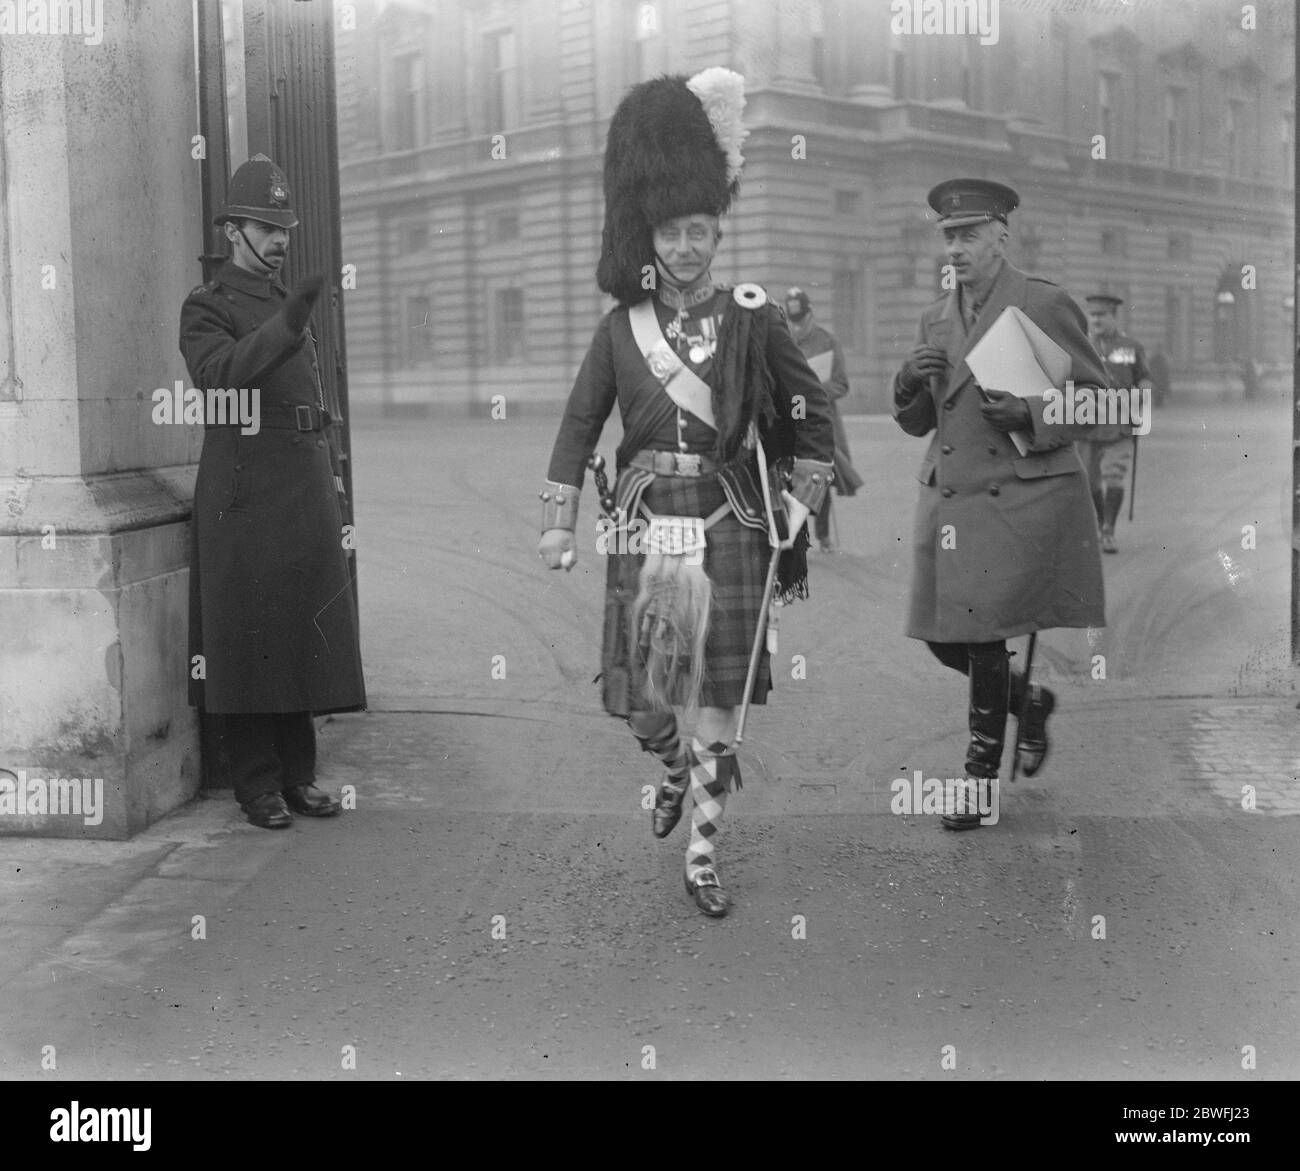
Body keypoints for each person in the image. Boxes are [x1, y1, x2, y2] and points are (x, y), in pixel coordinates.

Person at [537, 70, 835, 915]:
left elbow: (812, 424)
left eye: (701, 231)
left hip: (730, 520)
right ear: (651, 233)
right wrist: (559, 521)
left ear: (716, 230)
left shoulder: (754, 317)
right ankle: (669, 769)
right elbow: (575, 427)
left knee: (717, 701)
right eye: (672, 232)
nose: (686, 248)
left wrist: (799, 510)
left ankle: (702, 855)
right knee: (642, 701)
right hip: (644, 520)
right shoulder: (619, 330)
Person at [892, 178, 1110, 829]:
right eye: (948, 237)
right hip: (948, 499)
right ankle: (1030, 701)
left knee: (982, 636)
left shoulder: (1042, 303)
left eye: (968, 235)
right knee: (940, 637)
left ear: (1000, 236)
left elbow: (1103, 402)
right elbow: (919, 419)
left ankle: (979, 782)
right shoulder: (935, 315)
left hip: (1015, 499)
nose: (955, 248)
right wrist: (907, 381)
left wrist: (1032, 410)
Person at [179, 155, 365, 829]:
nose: (280, 238)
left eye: (284, 225)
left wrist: (331, 471)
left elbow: (310, 395)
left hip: (301, 480)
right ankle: (256, 783)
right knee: (249, 637)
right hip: (245, 491)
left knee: (298, 630)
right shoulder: (207, 306)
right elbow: (221, 378)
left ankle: (299, 775)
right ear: (233, 230)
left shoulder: (286, 301)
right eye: (265, 225)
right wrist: (286, 325)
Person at [783, 288, 864, 552]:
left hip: (819, 418)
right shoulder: (781, 340)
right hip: (790, 419)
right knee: (787, 476)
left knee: (821, 475)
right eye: (792, 321)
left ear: (810, 314)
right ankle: (793, 534)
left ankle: (823, 535)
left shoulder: (827, 341)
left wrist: (815, 391)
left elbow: (841, 384)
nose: (797, 326)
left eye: (801, 319)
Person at [1077, 293, 1153, 553]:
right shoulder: (1081, 345)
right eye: (1092, 314)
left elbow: (1144, 378)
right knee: (1089, 481)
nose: (1096, 320)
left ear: (1113, 317)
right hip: (1085, 425)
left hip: (1119, 423)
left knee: (1114, 475)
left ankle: (1108, 529)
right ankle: (1100, 525)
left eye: (1101, 315)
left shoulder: (1130, 347)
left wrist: (1141, 397)